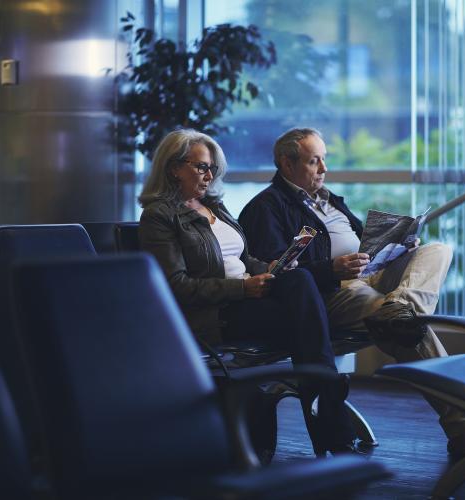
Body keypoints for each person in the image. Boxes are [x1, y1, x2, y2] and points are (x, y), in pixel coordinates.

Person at [238, 127, 465, 455]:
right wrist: (331, 269)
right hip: (333, 292)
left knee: (438, 250)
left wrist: (398, 246)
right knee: (404, 326)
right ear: (287, 164)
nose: (324, 169)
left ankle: (400, 307)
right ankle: (462, 425)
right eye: (313, 161)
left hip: (369, 274)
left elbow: (363, 241)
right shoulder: (267, 207)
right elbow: (279, 275)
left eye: (324, 160)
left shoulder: (328, 200)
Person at [138, 129, 357, 456]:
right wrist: (242, 288)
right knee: (306, 322)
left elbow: (243, 258)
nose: (209, 175)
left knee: (298, 279)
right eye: (200, 167)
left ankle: (328, 416)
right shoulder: (159, 217)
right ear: (173, 168)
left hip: (251, 297)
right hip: (218, 313)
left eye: (212, 168)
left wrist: (267, 268)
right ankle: (330, 414)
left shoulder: (215, 207)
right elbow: (175, 286)